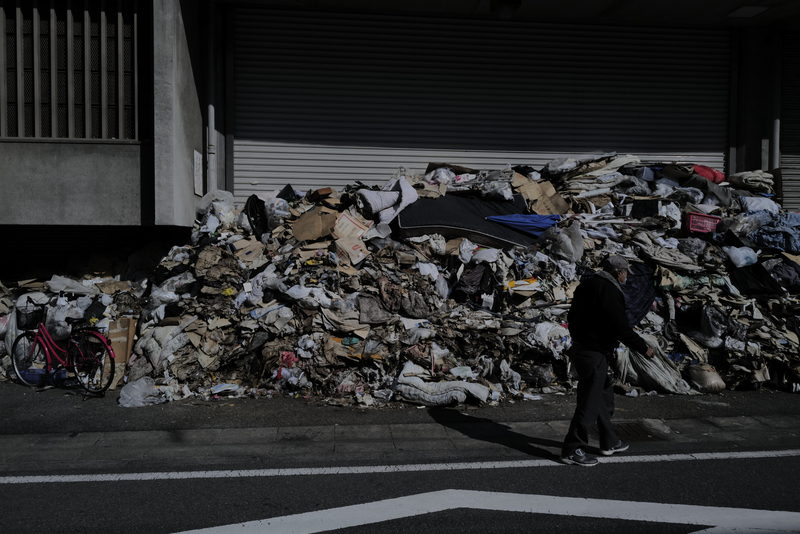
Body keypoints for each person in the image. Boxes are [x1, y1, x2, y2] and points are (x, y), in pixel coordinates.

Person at [561, 254, 655, 467]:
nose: (626, 278)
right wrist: (643, 348)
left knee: (604, 396)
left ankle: (608, 441)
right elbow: (620, 327)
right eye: (625, 274)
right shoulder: (610, 291)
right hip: (593, 353)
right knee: (589, 404)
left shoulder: (586, 286)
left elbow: (572, 318)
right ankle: (571, 449)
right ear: (619, 273)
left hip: (584, 350)